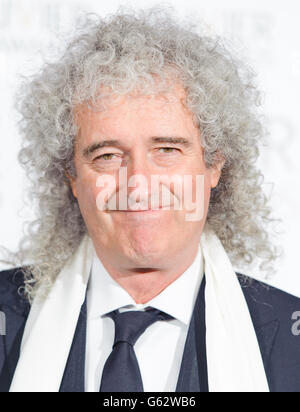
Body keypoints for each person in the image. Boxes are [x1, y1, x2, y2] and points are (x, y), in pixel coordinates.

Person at [0, 7, 299, 392]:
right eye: (107, 156)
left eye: (167, 150)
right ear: (71, 176)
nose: (138, 184)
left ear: (214, 167)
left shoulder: (291, 339)